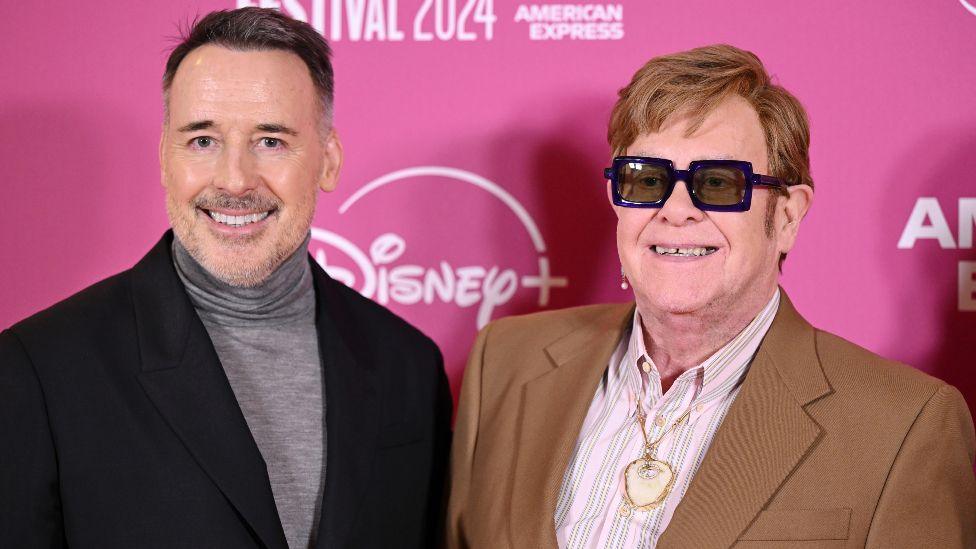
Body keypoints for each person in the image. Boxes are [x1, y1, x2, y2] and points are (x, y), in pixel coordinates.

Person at [446, 44, 975, 548]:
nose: (676, 210)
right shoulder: (505, 363)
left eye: (718, 183)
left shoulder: (904, 424)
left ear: (786, 216)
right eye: (647, 179)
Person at [0, 8, 450, 548]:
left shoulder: (408, 365)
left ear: (328, 162)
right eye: (204, 141)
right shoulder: (40, 369)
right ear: (165, 158)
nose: (235, 181)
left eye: (271, 141)